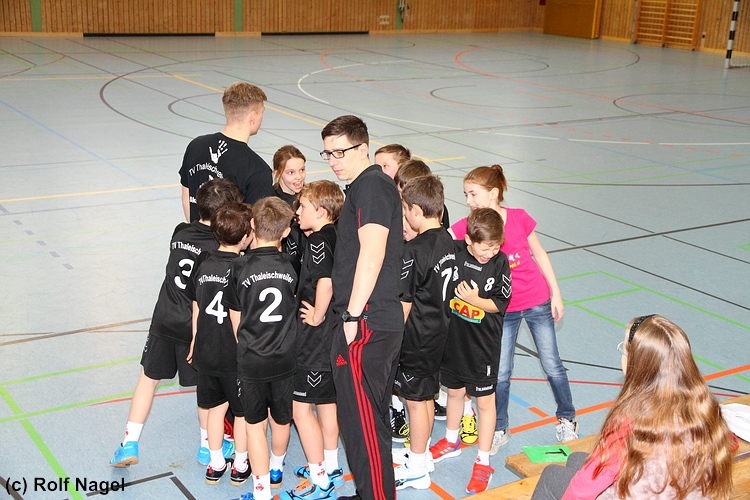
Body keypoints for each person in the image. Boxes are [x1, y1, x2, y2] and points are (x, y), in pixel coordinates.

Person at [110, 178, 243, 468]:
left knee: (148, 380)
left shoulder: (180, 231)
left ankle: (128, 443)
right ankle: (206, 447)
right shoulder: (218, 248)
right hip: (195, 326)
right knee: (205, 391)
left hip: (165, 318)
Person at [531, 314, 736, 500]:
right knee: (576, 459)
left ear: (638, 362)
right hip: (685, 491)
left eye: (625, 350)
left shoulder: (631, 420)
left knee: (551, 475)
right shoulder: (704, 407)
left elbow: (581, 491)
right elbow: (731, 444)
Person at [450, 165, 578, 453]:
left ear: (494, 193)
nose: (468, 200)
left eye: (473, 194)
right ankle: (499, 427)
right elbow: (441, 240)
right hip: (502, 311)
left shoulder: (519, 218)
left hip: (536, 301)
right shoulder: (469, 225)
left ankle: (567, 417)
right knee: (501, 372)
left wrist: (556, 293)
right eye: (466, 194)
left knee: (552, 364)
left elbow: (539, 253)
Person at [321, 115, 404, 500]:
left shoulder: (371, 186)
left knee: (363, 423)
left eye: (341, 152)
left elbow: (373, 252)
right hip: (369, 319)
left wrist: (353, 316)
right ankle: (370, 492)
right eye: (328, 153)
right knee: (366, 420)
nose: (334, 160)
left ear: (363, 148)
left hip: (365, 321)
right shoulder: (364, 187)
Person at [430, 208, 511, 495]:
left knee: (485, 402)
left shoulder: (500, 263)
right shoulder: (454, 253)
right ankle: (452, 440)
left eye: (495, 246)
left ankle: (483, 460)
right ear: (468, 241)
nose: (490, 252)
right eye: (484, 247)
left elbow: (500, 304)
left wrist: (475, 300)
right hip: (454, 342)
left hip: (483, 347)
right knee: (454, 392)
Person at [223, 196, 298, 500]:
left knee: (255, 425)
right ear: (286, 231)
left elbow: (236, 318)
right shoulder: (292, 265)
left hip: (252, 359)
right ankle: (277, 469)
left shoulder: (239, 267)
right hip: (285, 357)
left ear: (252, 225)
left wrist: (247, 346)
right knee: (282, 418)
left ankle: (261, 489)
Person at [281, 180, 346, 500]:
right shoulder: (335, 234)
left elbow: (326, 281)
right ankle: (331, 467)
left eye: (303, 206)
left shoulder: (318, 239)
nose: (297, 212)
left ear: (320, 211)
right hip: (332, 335)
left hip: (314, 338)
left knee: (300, 409)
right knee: (326, 404)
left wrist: (317, 315)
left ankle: (320, 481)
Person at [392, 175, 456, 491]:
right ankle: (422, 454)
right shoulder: (448, 240)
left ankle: (417, 468)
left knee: (415, 402)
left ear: (416, 210)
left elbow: (403, 304)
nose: (405, 217)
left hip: (416, 338)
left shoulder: (414, 250)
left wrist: (391, 342)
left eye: (406, 211)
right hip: (438, 332)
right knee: (426, 397)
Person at [186, 202, 254, 486]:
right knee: (241, 412)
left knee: (215, 408)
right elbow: (242, 315)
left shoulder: (204, 262)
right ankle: (240, 464)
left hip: (206, 349)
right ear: (246, 237)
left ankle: (215, 464)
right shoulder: (243, 267)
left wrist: (194, 339)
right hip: (232, 353)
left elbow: (196, 305)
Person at [180, 82, 274, 222]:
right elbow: (256, 224)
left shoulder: (195, 146)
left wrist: (196, 231)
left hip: (195, 233)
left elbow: (187, 197)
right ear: (253, 117)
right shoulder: (258, 170)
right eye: (262, 113)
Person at [272, 145, 307, 273]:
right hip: (282, 266)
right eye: (291, 172)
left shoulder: (310, 197)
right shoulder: (271, 201)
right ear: (277, 173)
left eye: (302, 170)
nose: (299, 177)